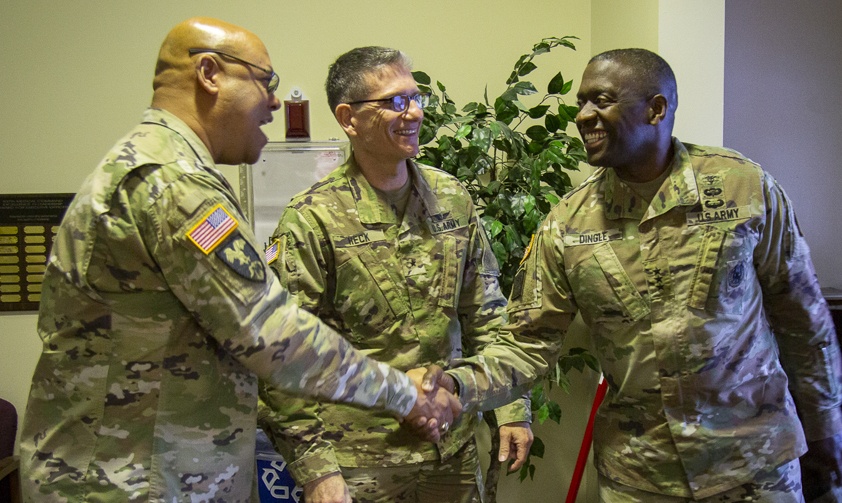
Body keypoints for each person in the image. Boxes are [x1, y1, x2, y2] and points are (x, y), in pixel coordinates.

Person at [19, 18, 458, 502]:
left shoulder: (161, 167)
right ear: (209, 73)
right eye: (264, 81)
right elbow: (270, 332)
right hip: (130, 481)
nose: (274, 101)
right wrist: (404, 393)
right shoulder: (172, 181)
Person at [425, 48, 842, 502]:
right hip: (641, 475)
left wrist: (825, 431)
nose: (583, 116)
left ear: (656, 109)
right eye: (581, 102)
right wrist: (458, 383)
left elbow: (803, 319)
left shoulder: (744, 188)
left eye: (601, 100)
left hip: (753, 465)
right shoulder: (568, 223)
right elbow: (526, 342)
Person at [257, 46, 533, 503]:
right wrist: (316, 471)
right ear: (349, 118)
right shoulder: (312, 219)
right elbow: (285, 357)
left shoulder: (451, 198)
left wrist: (510, 407)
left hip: (451, 453)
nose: (415, 113)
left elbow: (486, 313)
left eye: (416, 97)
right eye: (396, 102)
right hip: (360, 462)